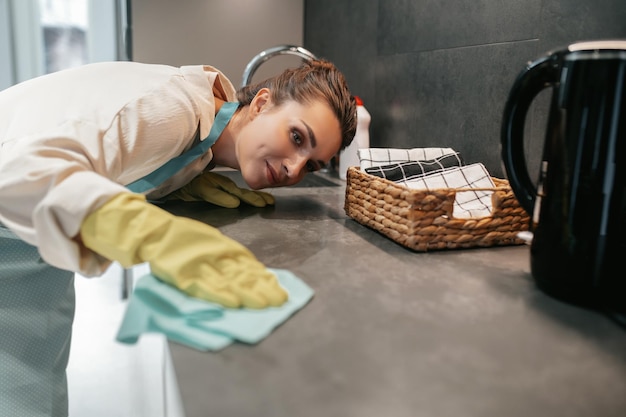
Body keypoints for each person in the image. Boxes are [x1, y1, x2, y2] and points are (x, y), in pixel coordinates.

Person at [0, 58, 356, 416]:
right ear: (262, 103)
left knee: (34, 393)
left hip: (27, 240)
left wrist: (175, 182)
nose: (294, 168)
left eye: (310, 164)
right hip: (12, 212)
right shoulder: (172, 109)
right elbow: (17, 169)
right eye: (297, 137)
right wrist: (151, 233)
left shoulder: (203, 134)